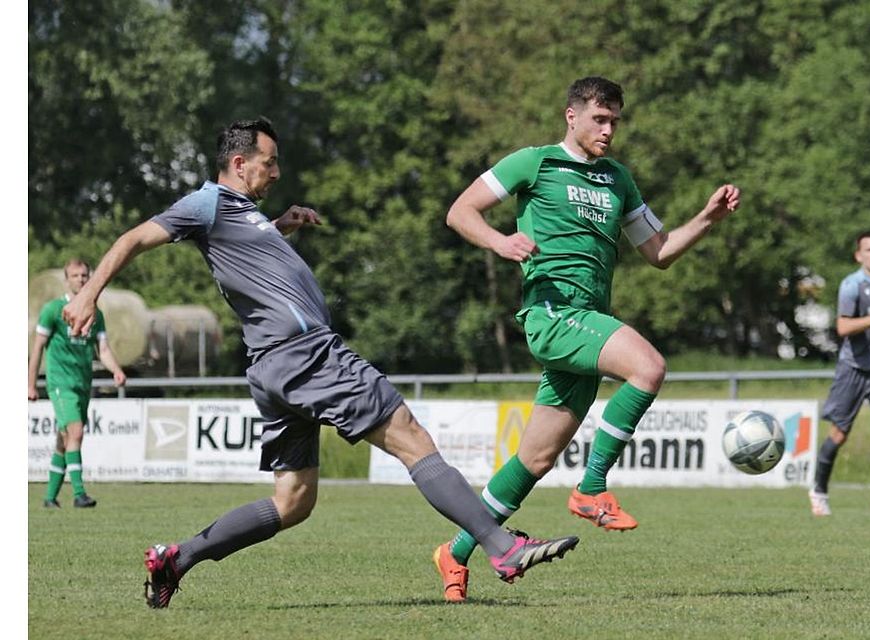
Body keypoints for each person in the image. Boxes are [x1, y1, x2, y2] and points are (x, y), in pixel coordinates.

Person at [62, 117, 579, 609]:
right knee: (410, 435)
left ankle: (178, 559)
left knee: (294, 500)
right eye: (270, 162)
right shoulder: (206, 203)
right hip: (306, 354)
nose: (277, 171)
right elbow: (133, 238)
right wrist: (90, 298)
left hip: (274, 366)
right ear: (239, 163)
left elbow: (248, 259)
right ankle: (499, 545)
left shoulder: (242, 214)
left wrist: (278, 225)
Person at [435, 76, 740, 601]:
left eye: (615, 121)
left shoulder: (618, 179)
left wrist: (707, 219)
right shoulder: (533, 162)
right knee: (649, 367)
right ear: (571, 116)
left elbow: (659, 251)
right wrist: (500, 241)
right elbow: (461, 211)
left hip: (587, 320)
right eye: (600, 119)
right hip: (553, 314)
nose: (608, 130)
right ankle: (591, 488)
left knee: (534, 460)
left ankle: (455, 552)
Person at [808, 231, 870, 517]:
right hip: (853, 369)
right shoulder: (851, 286)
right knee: (838, 435)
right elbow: (843, 328)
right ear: (858, 255)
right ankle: (819, 490)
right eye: (869, 249)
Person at [28, 259, 127, 509]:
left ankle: (50, 498)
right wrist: (30, 384)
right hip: (60, 383)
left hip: (83, 383)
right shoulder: (53, 310)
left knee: (65, 439)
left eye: (84, 275)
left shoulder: (96, 313)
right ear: (67, 279)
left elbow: (102, 349)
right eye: (75, 276)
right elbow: (38, 347)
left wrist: (116, 370)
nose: (81, 280)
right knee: (76, 432)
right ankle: (79, 494)